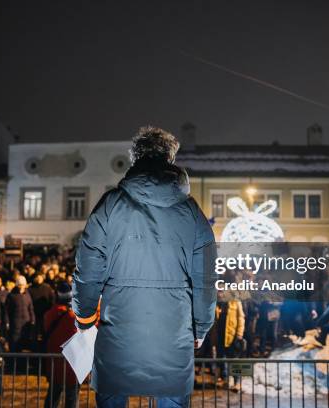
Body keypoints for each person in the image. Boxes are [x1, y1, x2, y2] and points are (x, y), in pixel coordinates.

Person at [72, 126, 217, 406]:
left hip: (117, 336)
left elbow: (87, 271)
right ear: (171, 159)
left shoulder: (110, 205)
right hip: (174, 338)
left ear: (135, 159)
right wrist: (201, 327)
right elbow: (205, 281)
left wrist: (85, 317)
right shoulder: (192, 214)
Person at [42, 282, 80, 408]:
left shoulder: (49, 314)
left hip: (54, 362)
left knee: (53, 396)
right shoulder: (71, 316)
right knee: (71, 398)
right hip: (70, 363)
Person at [212, 291, 245, 391]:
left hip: (233, 336)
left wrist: (239, 333)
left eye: (221, 292)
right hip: (220, 336)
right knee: (221, 358)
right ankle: (224, 380)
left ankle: (237, 382)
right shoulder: (216, 304)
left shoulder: (235, 302)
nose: (219, 294)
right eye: (218, 292)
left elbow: (241, 317)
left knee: (234, 359)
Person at [5, 275, 35, 351]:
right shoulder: (11, 296)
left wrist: (33, 320)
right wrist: (7, 322)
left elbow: (31, 309)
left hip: (26, 324)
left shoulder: (28, 295)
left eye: (23, 285)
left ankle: (23, 362)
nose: (21, 287)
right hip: (15, 324)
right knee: (15, 345)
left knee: (24, 345)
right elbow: (6, 311)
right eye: (20, 285)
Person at [28, 273, 55, 342]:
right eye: (37, 277)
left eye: (40, 277)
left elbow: (52, 299)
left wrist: (50, 309)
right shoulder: (30, 289)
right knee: (35, 332)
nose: (38, 279)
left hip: (45, 312)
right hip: (35, 313)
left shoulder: (47, 287)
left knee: (45, 330)